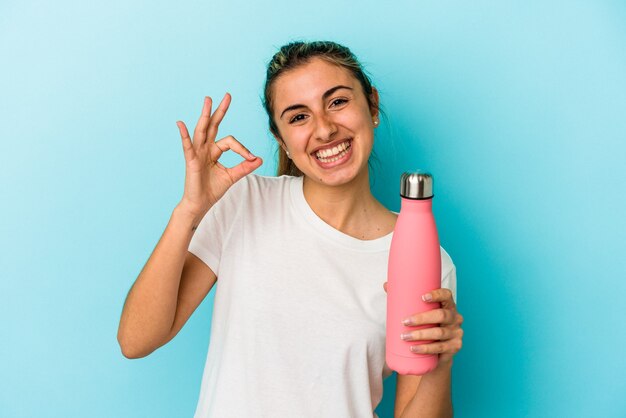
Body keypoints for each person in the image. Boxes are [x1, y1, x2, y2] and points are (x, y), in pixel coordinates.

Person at [117, 40, 464, 418]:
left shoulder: (423, 257)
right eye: (298, 117)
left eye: (337, 102)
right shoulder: (245, 203)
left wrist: (440, 363)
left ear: (372, 105)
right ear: (281, 137)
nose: (325, 129)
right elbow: (136, 341)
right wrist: (189, 211)